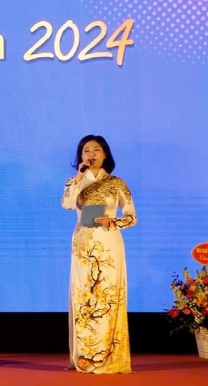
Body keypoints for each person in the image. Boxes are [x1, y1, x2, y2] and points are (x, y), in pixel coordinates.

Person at [62, 134, 137, 374]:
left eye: (96, 150)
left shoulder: (117, 183)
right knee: (84, 298)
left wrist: (112, 221)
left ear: (105, 154)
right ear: (80, 156)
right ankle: (85, 357)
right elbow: (66, 205)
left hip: (108, 242)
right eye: (86, 151)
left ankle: (108, 355)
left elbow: (132, 217)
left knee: (107, 296)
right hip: (83, 245)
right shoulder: (74, 182)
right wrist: (78, 178)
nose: (91, 154)